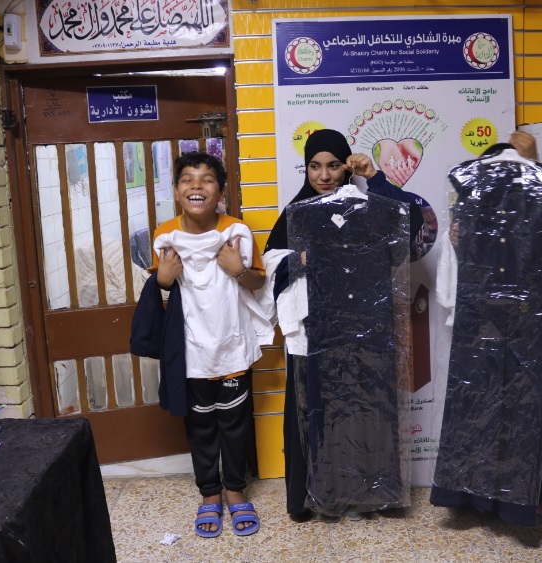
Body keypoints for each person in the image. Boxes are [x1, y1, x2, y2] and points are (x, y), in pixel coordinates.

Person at [265, 128, 423, 522]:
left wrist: (375, 177)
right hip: (314, 334)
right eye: (315, 166)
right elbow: (271, 263)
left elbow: (412, 220)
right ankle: (317, 496)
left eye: (333, 165)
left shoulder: (370, 209)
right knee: (315, 414)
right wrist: (301, 259)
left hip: (366, 330)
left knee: (367, 411)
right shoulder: (298, 213)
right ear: (305, 169)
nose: (324, 175)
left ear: (346, 167)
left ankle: (374, 494)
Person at [151, 151, 265, 538]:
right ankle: (209, 494)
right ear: (176, 191)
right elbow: (160, 300)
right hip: (191, 351)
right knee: (200, 426)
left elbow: (258, 283)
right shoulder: (165, 235)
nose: (196, 185)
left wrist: (239, 270)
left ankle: (235, 491)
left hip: (232, 348)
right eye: (187, 179)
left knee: (234, 425)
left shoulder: (237, 232)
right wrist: (162, 281)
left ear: (221, 191)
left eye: (207, 179)